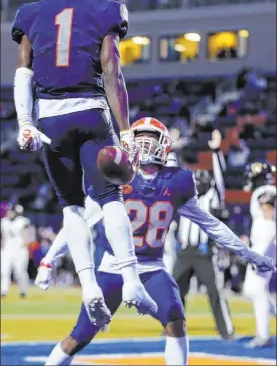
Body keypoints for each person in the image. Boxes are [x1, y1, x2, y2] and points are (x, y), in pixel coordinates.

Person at [35, 118, 276, 366]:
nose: (146, 144)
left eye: (151, 139)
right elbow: (78, 224)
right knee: (80, 336)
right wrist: (49, 258)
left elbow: (211, 224)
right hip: (113, 268)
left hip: (152, 268)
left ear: (164, 145)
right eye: (140, 139)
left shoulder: (178, 180)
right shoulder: (114, 176)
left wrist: (248, 254)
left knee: (176, 320)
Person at [11, 0, 156, 326]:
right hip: (91, 111)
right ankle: (132, 281)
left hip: (48, 118)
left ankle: (89, 286)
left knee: (72, 208)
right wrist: (125, 132)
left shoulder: (31, 12)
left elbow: (23, 73)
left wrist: (25, 122)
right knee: (110, 199)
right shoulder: (106, 10)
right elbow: (111, 70)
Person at [172, 130, 234, 340]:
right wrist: (173, 149)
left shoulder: (213, 198)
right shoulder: (184, 197)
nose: (198, 185)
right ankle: (173, 327)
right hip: (184, 252)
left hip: (204, 252)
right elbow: (171, 174)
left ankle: (226, 329)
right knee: (174, 292)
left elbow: (220, 179)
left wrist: (216, 151)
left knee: (214, 292)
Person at [242, 161, 276, 348]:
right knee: (251, 289)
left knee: (255, 290)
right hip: (262, 247)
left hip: (266, 247)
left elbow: (269, 216)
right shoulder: (266, 191)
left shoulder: (264, 191)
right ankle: (263, 333)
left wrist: (266, 253)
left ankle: (263, 335)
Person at [1, 204, 33, 298]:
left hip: (20, 249)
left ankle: (23, 291)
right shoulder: (4, 222)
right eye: (8, 211)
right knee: (4, 271)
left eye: (11, 211)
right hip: (7, 249)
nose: (9, 213)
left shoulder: (23, 221)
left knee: (20, 271)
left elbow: (26, 236)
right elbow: (3, 237)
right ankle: (3, 290)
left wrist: (26, 247)